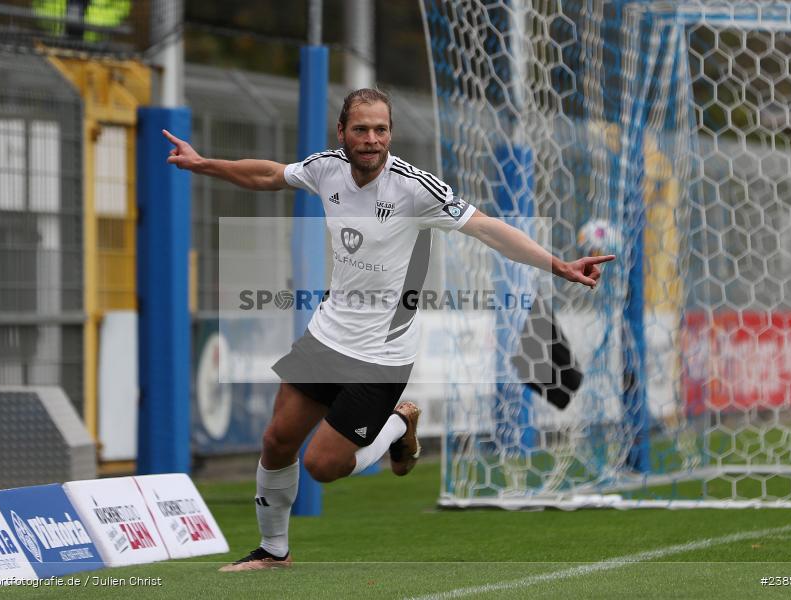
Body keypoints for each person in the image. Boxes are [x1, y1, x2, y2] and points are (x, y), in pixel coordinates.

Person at [163, 88, 614, 571]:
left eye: (381, 130)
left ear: (391, 134)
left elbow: (487, 228)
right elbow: (271, 174)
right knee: (276, 441)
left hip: (382, 353)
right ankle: (274, 551)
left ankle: (399, 423)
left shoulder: (415, 188)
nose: (372, 139)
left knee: (323, 465)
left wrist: (558, 265)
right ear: (343, 132)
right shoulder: (326, 168)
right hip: (327, 335)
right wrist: (203, 164)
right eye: (361, 129)